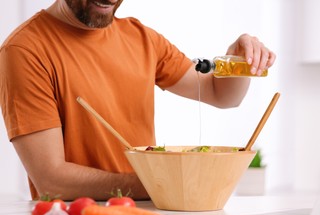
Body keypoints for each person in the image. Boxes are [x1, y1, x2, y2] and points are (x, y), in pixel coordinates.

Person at [0, 0, 276, 201]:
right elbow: (51, 180)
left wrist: (238, 61)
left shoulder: (141, 37)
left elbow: (221, 95)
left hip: (149, 214)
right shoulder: (24, 51)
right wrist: (160, 184)